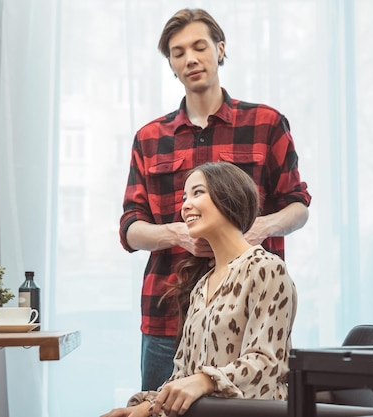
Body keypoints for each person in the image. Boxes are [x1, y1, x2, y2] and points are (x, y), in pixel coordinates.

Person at [118, 8, 311, 391]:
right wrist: (174, 234)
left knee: (244, 404)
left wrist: (260, 228)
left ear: (220, 50)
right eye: (177, 53)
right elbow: (130, 228)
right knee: (158, 406)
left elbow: (298, 205)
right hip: (166, 311)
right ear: (171, 65)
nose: (190, 59)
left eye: (199, 47)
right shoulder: (149, 137)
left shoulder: (267, 124)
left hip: (246, 309)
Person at [105, 161, 297, 417]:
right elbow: (183, 375)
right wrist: (146, 407)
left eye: (197, 193)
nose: (185, 205)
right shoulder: (201, 287)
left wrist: (206, 381)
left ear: (229, 195)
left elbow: (265, 365)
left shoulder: (267, 268)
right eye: (184, 197)